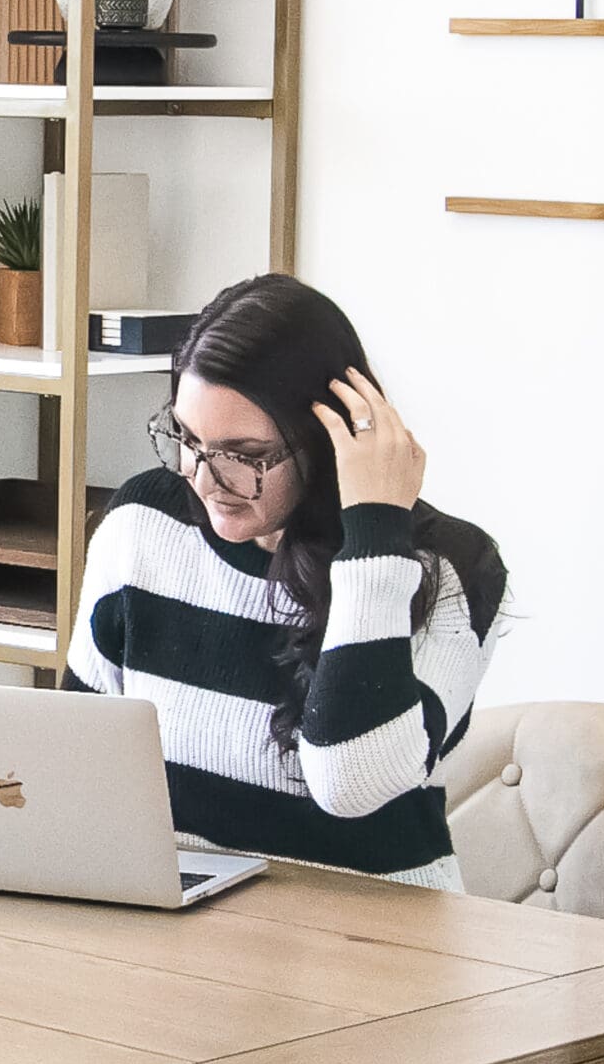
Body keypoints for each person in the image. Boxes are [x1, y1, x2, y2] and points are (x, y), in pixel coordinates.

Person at [65, 274, 507, 889]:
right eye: (188, 440)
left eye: (243, 456)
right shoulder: (143, 521)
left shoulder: (451, 568)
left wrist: (375, 532)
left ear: (329, 443)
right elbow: (76, 758)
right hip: (184, 932)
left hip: (379, 948)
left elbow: (353, 782)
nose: (203, 478)